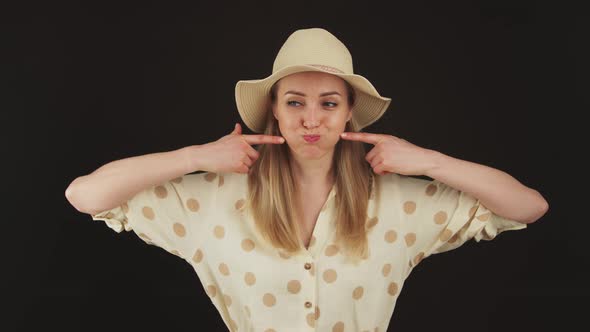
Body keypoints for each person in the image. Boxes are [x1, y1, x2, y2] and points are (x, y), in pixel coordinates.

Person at [65, 28, 549, 332]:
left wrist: (428, 161)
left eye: (329, 103)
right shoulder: (214, 197)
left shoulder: (398, 201)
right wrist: (195, 156)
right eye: (295, 101)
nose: (311, 120)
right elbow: (84, 195)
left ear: (349, 114)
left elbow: (527, 207)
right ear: (273, 110)